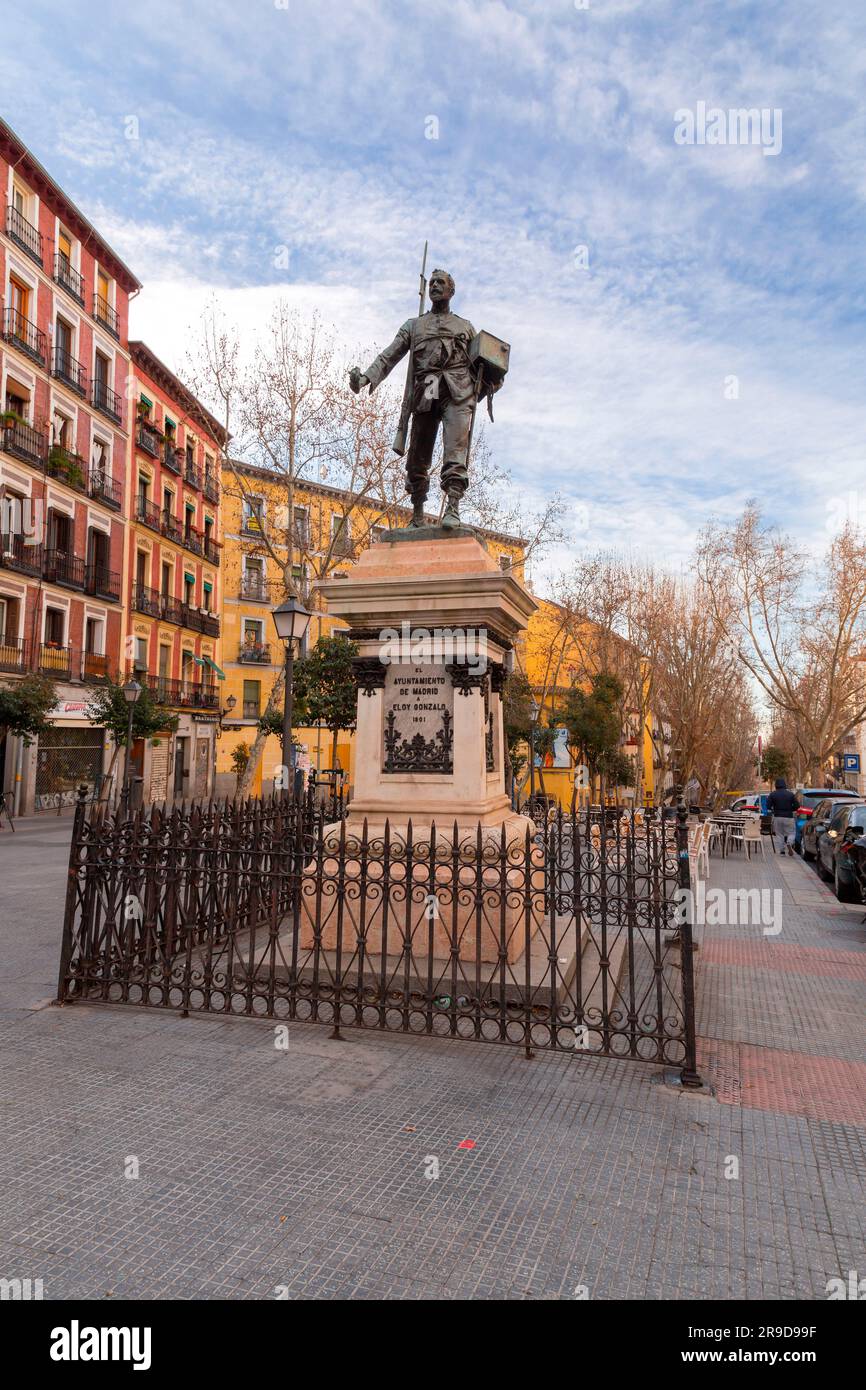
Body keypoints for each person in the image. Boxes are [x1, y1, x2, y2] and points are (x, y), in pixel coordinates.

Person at [349, 269, 494, 529]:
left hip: (457, 391)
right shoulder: (413, 326)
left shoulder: (465, 327)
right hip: (427, 389)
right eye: (432, 283)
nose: (435, 286)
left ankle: (452, 507)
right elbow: (389, 355)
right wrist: (366, 378)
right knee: (418, 453)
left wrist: (484, 386)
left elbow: (485, 363)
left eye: (441, 283)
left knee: (456, 449)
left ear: (451, 291)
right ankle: (417, 514)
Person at [767, 777, 800, 855]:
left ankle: (782, 851)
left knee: (779, 834)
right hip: (789, 817)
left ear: (776, 785)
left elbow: (768, 806)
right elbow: (797, 805)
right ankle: (789, 842)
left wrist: (773, 810)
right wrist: (791, 809)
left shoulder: (772, 794)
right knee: (791, 833)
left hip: (777, 816)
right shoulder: (790, 794)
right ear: (784, 785)